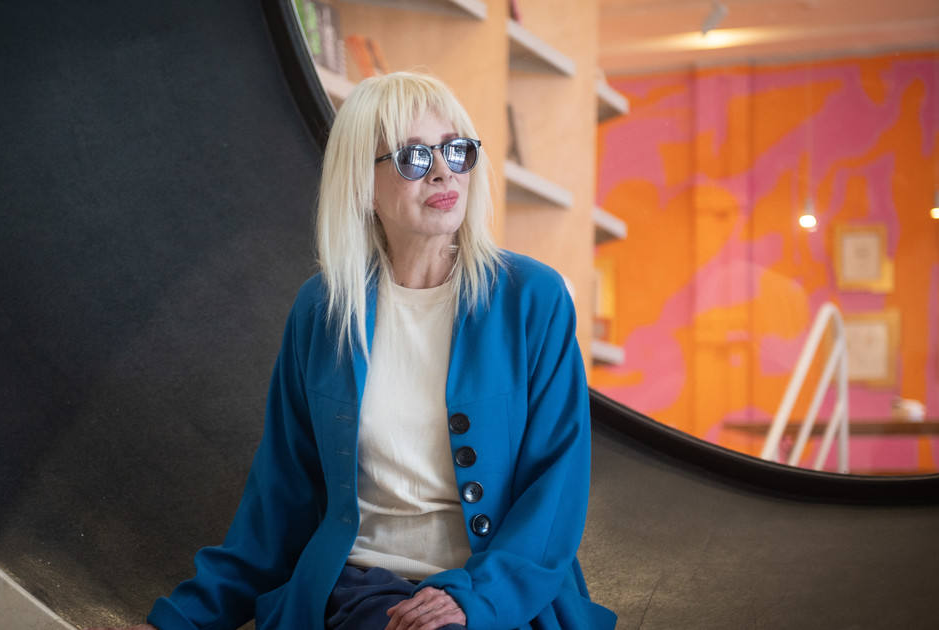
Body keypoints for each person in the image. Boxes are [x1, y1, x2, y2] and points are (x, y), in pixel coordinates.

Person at [106, 71, 616, 630]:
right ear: (362, 186)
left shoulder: (533, 298)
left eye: (455, 150)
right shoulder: (322, 311)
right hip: (361, 591)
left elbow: (555, 489)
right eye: (413, 158)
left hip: (500, 596)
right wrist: (179, 622)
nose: (443, 171)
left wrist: (473, 599)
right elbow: (280, 499)